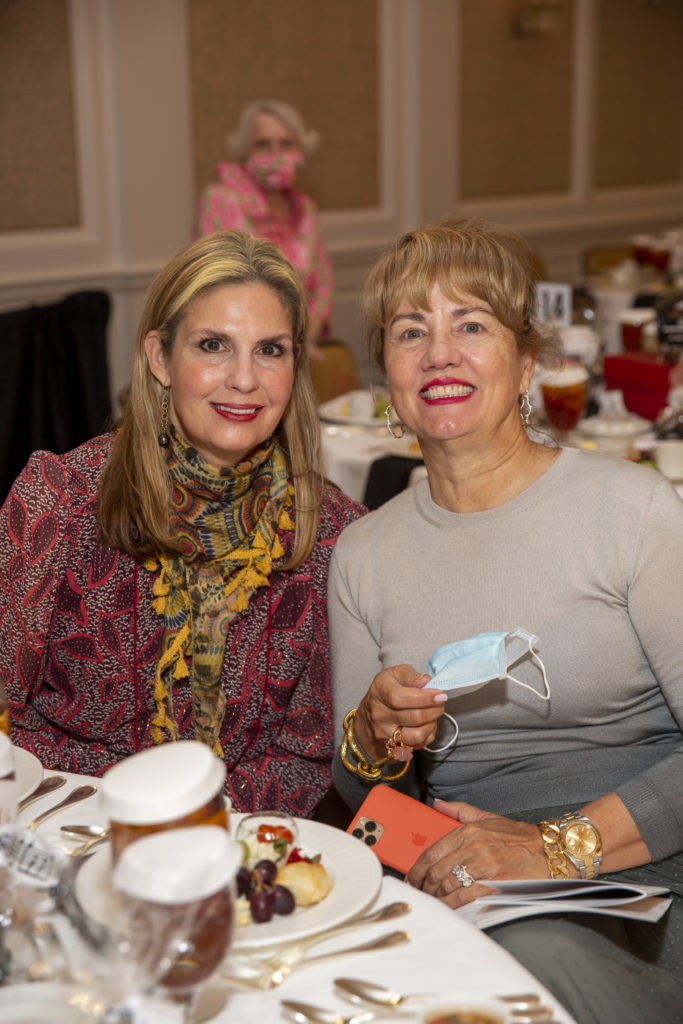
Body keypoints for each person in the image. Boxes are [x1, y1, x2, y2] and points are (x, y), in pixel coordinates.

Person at [328, 219, 683, 1023]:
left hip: (651, 876)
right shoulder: (364, 554)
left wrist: (557, 847)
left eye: (471, 325)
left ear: (526, 362)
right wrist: (376, 739)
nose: (438, 353)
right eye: (409, 330)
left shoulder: (631, 510)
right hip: (469, 879)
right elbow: (367, 795)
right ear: (387, 372)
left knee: (524, 963)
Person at [1, 230, 364, 817]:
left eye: (270, 350)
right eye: (214, 345)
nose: (244, 379)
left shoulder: (331, 533)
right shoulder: (60, 502)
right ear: (159, 357)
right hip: (62, 831)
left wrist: (194, 824)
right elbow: (5, 716)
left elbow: (307, 759)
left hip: (237, 846)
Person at [196, 100, 333, 362]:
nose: (275, 154)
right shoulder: (220, 200)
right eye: (263, 144)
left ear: (301, 150)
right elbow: (212, 281)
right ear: (245, 150)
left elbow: (323, 284)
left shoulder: (306, 209)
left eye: (286, 144)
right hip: (235, 351)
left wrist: (304, 339)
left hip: (299, 351)